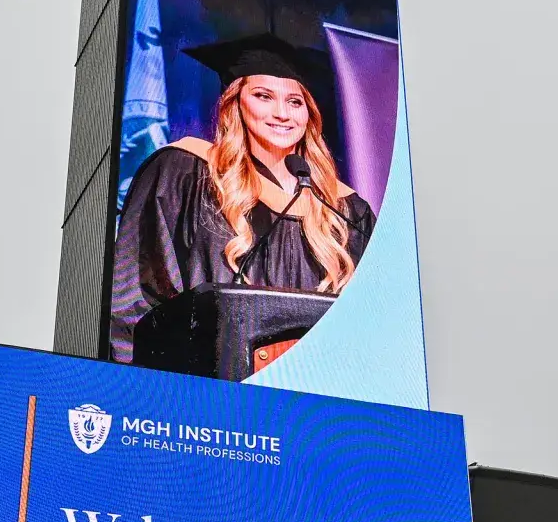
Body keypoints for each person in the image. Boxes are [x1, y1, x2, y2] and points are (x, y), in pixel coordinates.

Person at [108, 33, 377, 364]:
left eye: (295, 102)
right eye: (263, 96)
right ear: (234, 103)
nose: (282, 113)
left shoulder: (346, 211)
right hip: (206, 394)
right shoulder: (186, 173)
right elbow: (134, 295)